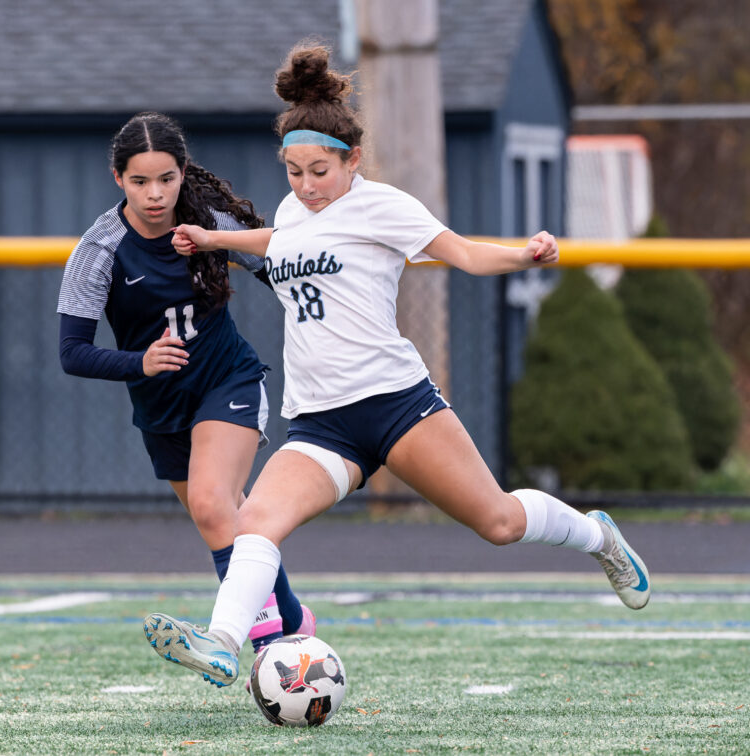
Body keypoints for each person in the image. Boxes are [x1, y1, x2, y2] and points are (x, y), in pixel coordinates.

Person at [143, 45, 650, 687]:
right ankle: (221, 643)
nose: (304, 185)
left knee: (497, 522)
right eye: (293, 170)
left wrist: (524, 255)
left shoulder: (384, 206)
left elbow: (463, 255)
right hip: (321, 424)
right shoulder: (300, 210)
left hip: (396, 405)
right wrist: (217, 240)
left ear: (352, 159)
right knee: (256, 521)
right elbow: (282, 238)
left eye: (319, 170)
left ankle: (598, 535)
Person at [58, 112, 314, 655]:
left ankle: (255, 647)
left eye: (167, 179)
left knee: (211, 503)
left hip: (229, 380)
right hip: (160, 408)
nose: (156, 194)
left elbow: (286, 268)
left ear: (182, 172)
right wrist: (139, 363)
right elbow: (72, 353)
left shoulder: (208, 223)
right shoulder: (100, 249)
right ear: (117, 178)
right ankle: (291, 619)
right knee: (230, 520)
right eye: (140, 181)